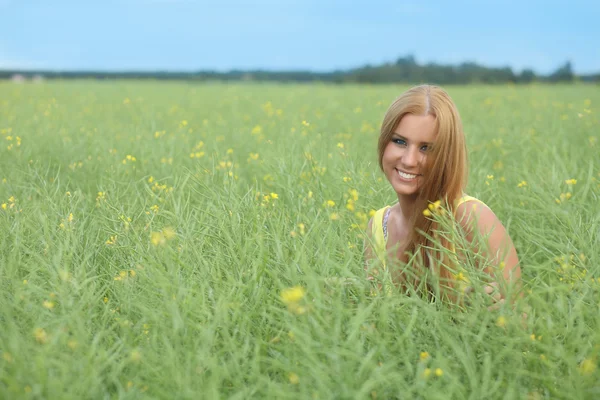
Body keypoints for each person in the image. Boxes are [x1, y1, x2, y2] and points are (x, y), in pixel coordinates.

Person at [364, 85, 521, 306]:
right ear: (383, 142)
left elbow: (520, 323)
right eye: (400, 141)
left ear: (447, 156)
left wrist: (488, 310)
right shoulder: (379, 226)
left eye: (427, 148)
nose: (409, 160)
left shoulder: (470, 217)